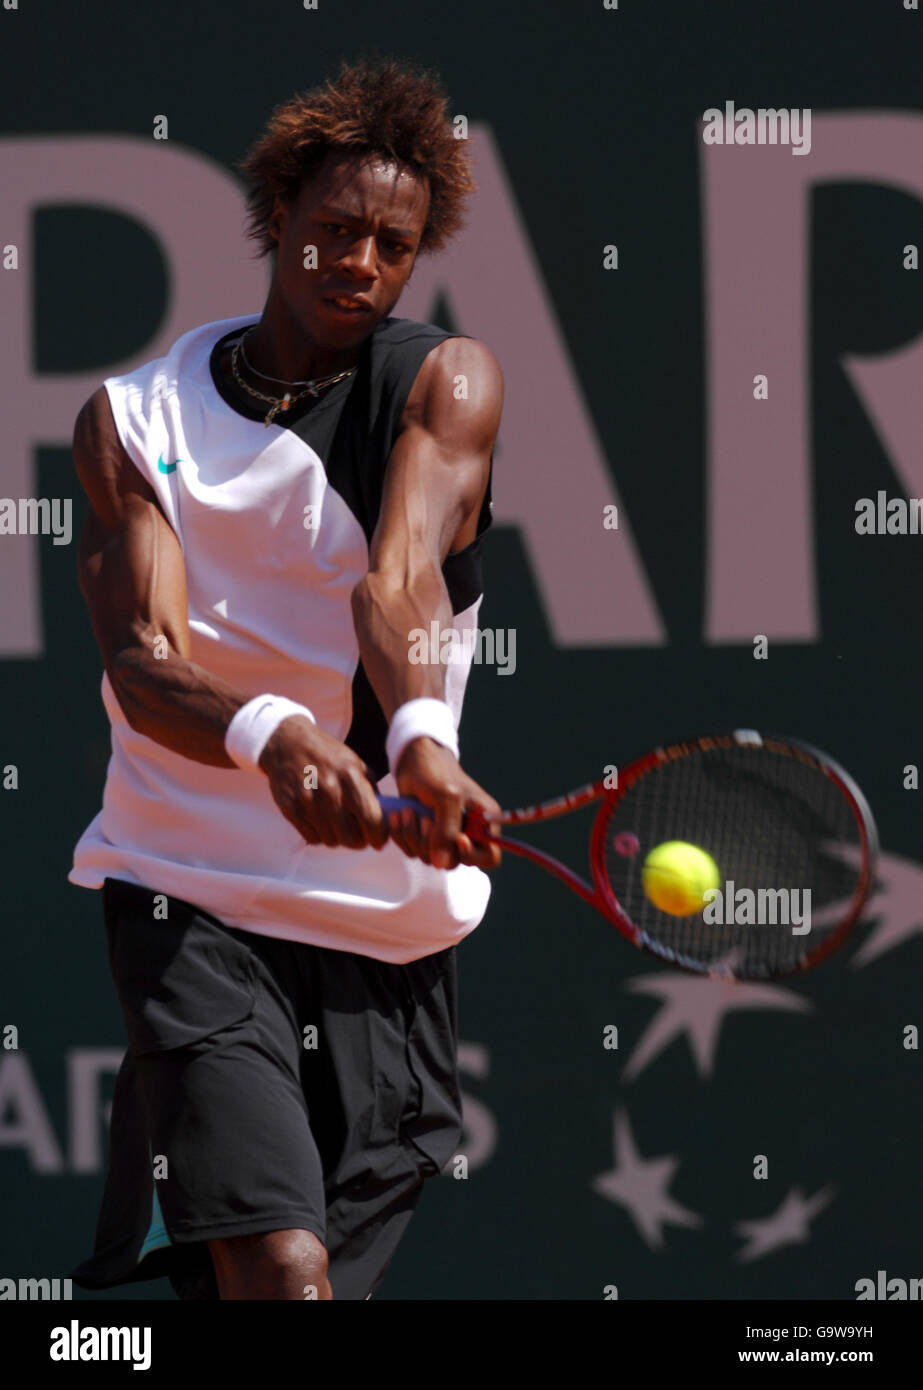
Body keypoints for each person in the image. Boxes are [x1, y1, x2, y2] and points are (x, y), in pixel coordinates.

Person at [68, 56, 503, 1301]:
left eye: (390, 244)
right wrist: (270, 735)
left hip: (385, 932)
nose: (359, 263)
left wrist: (418, 735)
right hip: (186, 893)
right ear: (277, 219)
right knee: (281, 1273)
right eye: (333, 233)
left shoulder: (445, 382)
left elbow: (400, 577)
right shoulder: (131, 421)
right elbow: (142, 660)